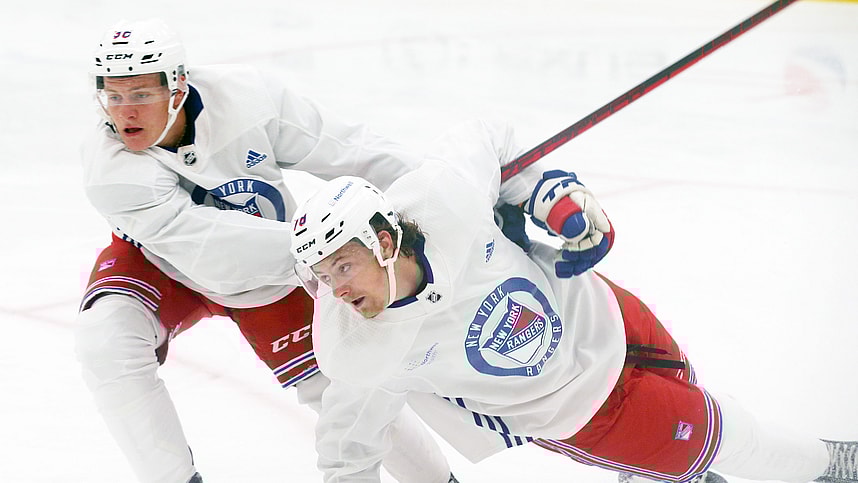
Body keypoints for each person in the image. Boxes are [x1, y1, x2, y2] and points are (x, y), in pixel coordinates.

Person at [288, 119, 858, 483]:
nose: (336, 289)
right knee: (730, 436)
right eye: (322, 274)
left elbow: (490, 138)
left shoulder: (441, 199)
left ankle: (664, 474)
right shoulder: (355, 347)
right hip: (582, 412)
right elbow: (348, 444)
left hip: (606, 312)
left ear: (385, 241)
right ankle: (836, 465)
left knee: (694, 406)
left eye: (343, 265)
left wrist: (550, 194)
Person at [74, 18, 458, 483]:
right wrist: (330, 248)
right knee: (105, 341)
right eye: (113, 96)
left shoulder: (245, 97)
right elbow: (206, 246)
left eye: (140, 94)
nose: (125, 113)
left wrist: (437, 194)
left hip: (276, 272)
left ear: (177, 87)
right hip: (162, 263)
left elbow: (349, 148)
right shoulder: (109, 169)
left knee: (349, 389)